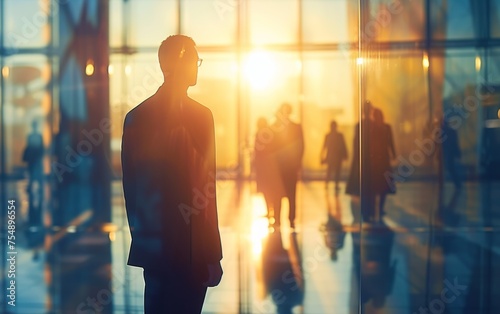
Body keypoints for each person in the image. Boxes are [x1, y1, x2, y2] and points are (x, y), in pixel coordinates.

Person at [121, 35, 223, 313]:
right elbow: (205, 191)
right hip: (192, 252)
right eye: (195, 60)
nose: (197, 66)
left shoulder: (136, 116)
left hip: (155, 249)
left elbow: (132, 190)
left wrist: (145, 244)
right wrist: (212, 254)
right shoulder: (201, 117)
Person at [272, 103, 304, 228]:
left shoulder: (295, 127)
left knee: (290, 193)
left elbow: (301, 146)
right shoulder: (275, 127)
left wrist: (297, 162)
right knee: (279, 192)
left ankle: (290, 218)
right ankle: (278, 218)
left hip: (290, 166)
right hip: (279, 167)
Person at [253, 117, 285, 224]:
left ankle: (270, 211)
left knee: (266, 191)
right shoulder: (270, 135)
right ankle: (274, 213)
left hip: (263, 168)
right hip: (270, 168)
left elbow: (257, 151)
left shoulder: (259, 135)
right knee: (272, 192)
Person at [371, 108, 396, 218]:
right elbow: (390, 142)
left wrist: (393, 153)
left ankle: (379, 208)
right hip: (379, 159)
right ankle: (379, 208)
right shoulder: (383, 128)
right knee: (380, 184)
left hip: (380, 159)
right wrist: (393, 153)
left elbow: (391, 141)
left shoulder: (383, 128)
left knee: (381, 184)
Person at [321, 120, 348, 193]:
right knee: (335, 171)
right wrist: (345, 155)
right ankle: (333, 184)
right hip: (336, 156)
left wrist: (322, 156)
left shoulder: (329, 135)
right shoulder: (339, 135)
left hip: (332, 156)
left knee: (331, 171)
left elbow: (324, 147)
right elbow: (343, 146)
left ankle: (328, 184)